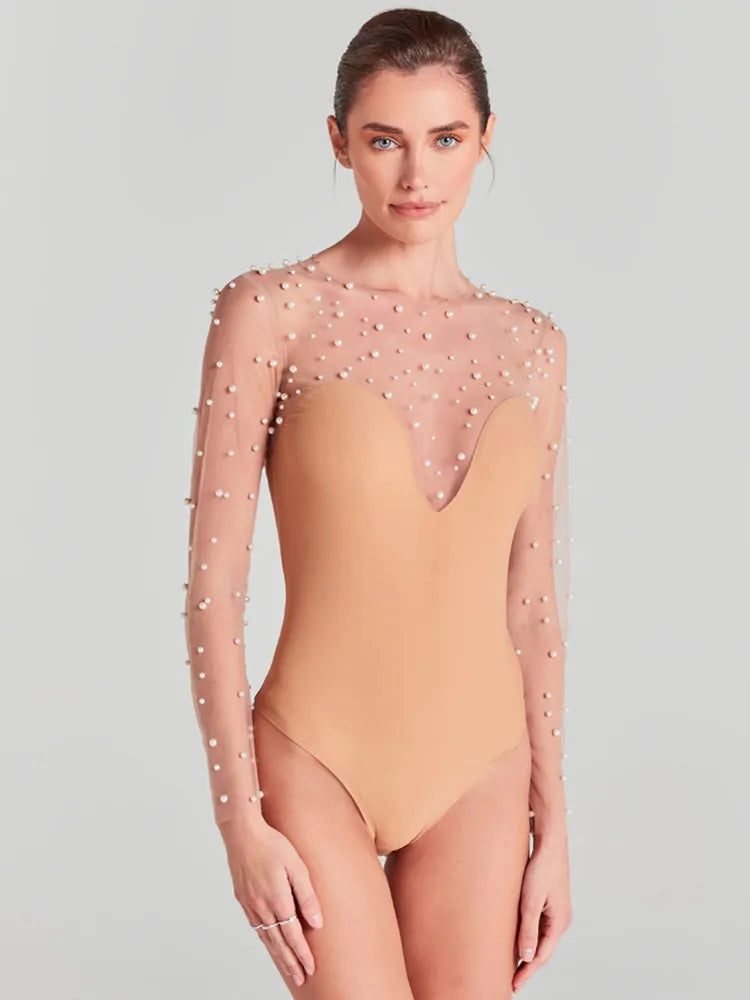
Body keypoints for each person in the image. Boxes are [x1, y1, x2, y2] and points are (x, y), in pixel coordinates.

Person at [183, 8, 573, 997]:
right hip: (317, 756)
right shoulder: (270, 311)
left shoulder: (533, 345)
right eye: (384, 141)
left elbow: (531, 604)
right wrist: (240, 822)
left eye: (446, 138)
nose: (416, 176)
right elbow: (214, 591)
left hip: (483, 767)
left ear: (485, 138)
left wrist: (555, 829)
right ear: (339, 142)